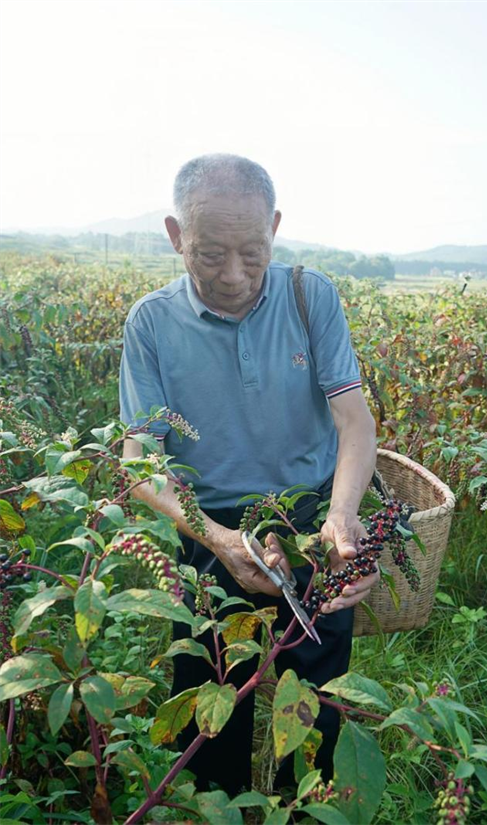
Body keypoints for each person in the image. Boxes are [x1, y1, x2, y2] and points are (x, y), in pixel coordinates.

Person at [119, 153, 378, 799]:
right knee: (211, 695)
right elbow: (140, 459)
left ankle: (305, 804)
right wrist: (215, 537)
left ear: (275, 229)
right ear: (176, 235)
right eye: (210, 255)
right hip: (208, 526)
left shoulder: (311, 295)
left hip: (311, 521)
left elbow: (354, 421)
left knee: (317, 700)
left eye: (252, 254)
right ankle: (219, 805)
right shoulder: (151, 322)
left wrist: (342, 515)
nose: (233, 275)